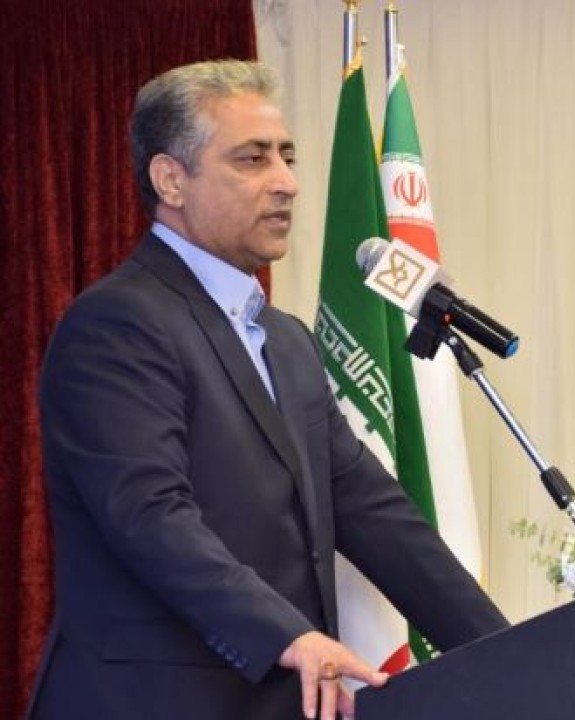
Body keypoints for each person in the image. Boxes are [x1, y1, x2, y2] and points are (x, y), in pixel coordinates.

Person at [27, 59, 508, 720]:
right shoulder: (117, 324)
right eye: (252, 159)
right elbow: (149, 516)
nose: (286, 182)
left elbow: (376, 517)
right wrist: (289, 637)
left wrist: (514, 654)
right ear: (171, 179)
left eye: (287, 157)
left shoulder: (287, 341)